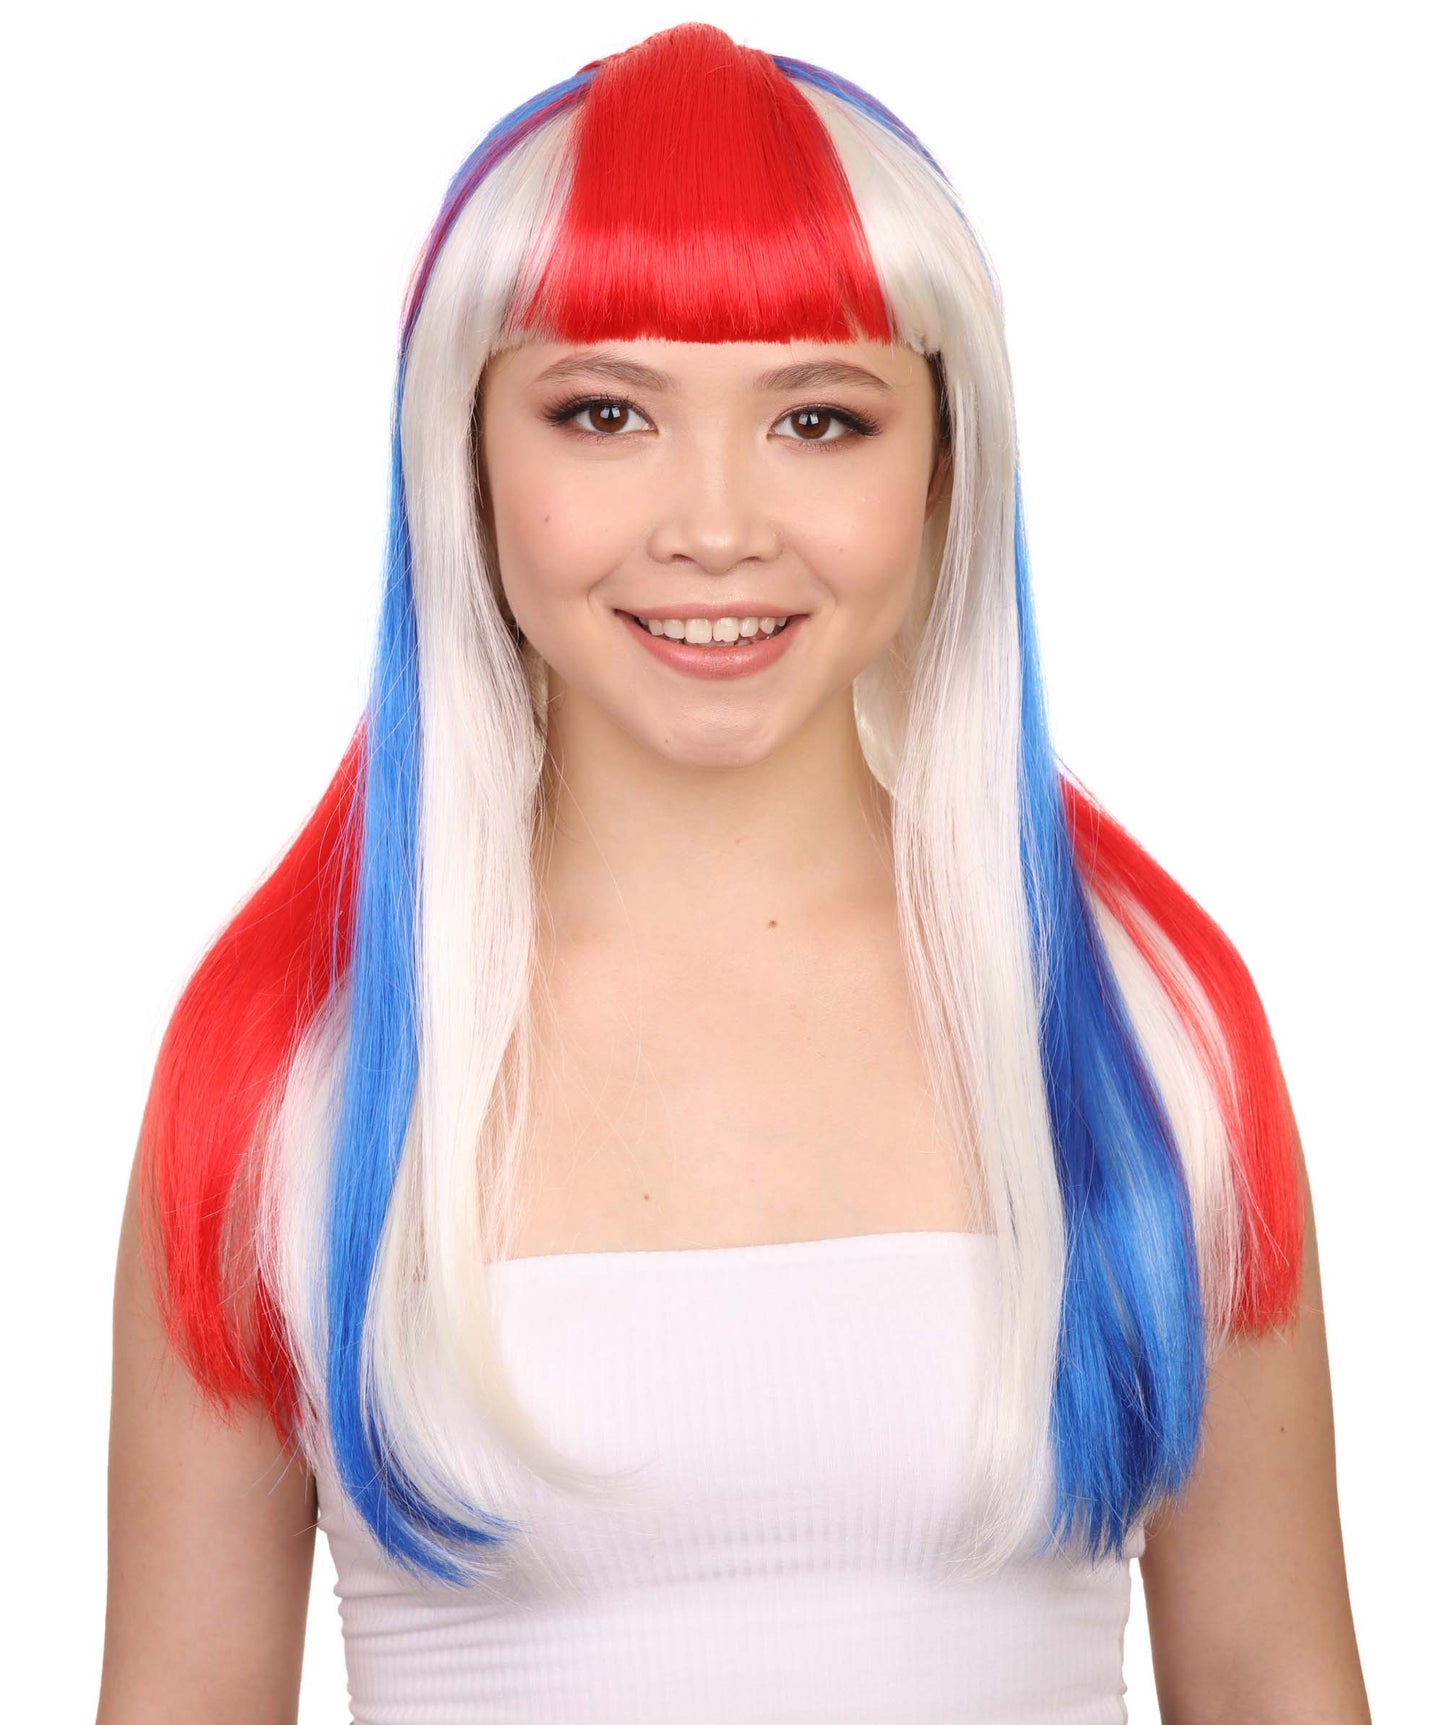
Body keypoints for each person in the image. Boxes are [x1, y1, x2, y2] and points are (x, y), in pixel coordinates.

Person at [98, 21, 1371, 1724]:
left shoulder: (1149, 1032)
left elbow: (1279, 1677)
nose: (712, 525)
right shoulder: (288, 1067)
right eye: (604, 411)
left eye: (819, 418)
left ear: (946, 468)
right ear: (464, 463)